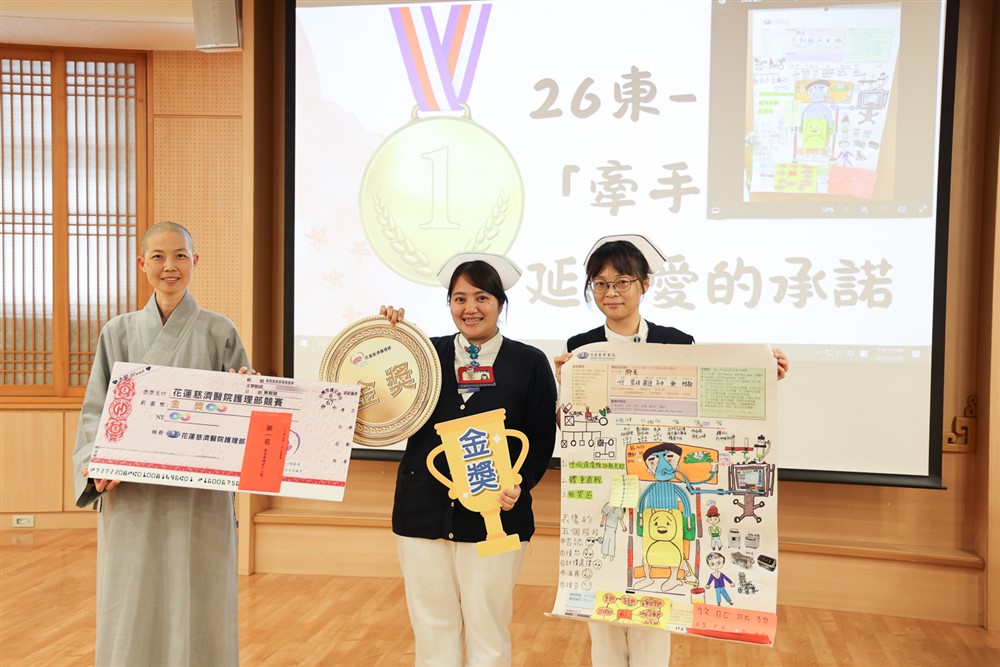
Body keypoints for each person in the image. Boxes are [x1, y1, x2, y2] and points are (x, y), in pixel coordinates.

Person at [554, 234, 788, 667]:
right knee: (603, 614)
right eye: (600, 284)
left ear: (644, 284)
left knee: (654, 617)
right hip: (608, 487)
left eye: (622, 282)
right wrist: (565, 391)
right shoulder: (580, 346)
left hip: (665, 498)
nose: (611, 293)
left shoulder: (676, 340)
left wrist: (763, 373)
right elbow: (573, 428)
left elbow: (708, 410)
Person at [72, 221, 256, 667]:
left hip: (198, 495)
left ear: (195, 261)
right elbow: (96, 409)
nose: (169, 266)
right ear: (142, 264)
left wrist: (246, 392)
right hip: (133, 494)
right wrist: (96, 463)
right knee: (131, 594)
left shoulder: (219, 331)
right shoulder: (117, 331)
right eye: (158, 257)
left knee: (200, 593)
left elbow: (243, 413)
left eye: (180, 256)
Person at [381, 253, 557, 666]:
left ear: (500, 303)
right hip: (422, 513)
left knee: (488, 630)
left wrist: (519, 484)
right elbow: (376, 396)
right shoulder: (424, 354)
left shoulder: (529, 362)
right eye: (459, 299)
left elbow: (539, 438)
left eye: (482, 297)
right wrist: (388, 339)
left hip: (496, 515)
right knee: (432, 628)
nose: (470, 308)